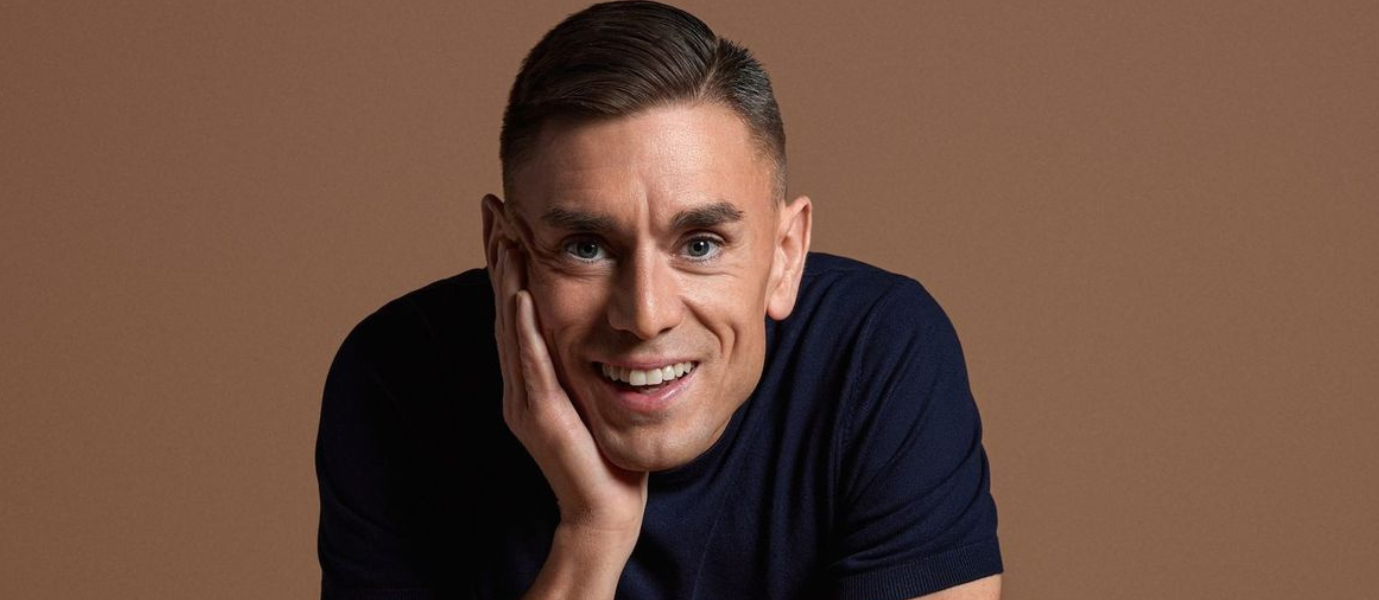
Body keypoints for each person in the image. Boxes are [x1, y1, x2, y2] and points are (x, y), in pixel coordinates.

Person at [316, 2, 1002, 598]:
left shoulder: (877, 354)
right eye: (587, 245)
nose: (645, 315)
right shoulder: (399, 377)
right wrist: (592, 536)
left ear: (786, 254)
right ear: (505, 251)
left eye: (701, 244)